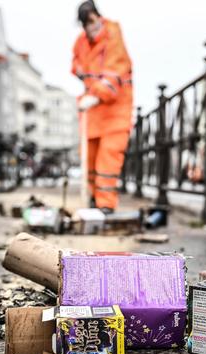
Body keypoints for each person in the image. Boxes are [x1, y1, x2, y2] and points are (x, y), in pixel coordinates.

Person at [72, 0, 133, 214]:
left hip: (116, 108)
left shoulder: (113, 32)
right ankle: (92, 198)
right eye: (86, 23)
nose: (91, 27)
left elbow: (116, 68)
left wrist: (97, 93)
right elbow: (76, 66)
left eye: (92, 21)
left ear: (98, 16)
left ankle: (105, 204)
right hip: (94, 110)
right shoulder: (81, 42)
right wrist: (89, 88)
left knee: (108, 157)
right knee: (90, 157)